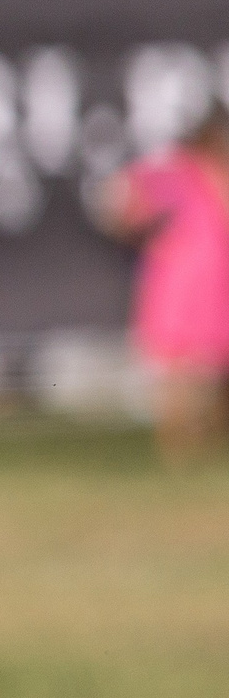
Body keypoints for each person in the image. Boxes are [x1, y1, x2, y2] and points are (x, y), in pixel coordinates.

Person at [101, 103, 229, 463]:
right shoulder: (177, 171)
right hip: (182, 282)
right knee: (177, 365)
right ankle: (176, 443)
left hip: (218, 282)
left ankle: (204, 438)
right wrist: (142, 229)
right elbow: (119, 198)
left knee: (212, 366)